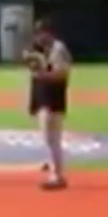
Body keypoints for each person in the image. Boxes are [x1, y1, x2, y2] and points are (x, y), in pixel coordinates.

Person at [25, 19, 73, 190]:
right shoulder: (39, 50)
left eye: (40, 33)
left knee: (51, 139)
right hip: (43, 97)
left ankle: (57, 176)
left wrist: (43, 75)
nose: (38, 37)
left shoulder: (58, 49)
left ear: (48, 32)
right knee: (49, 139)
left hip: (53, 97)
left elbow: (63, 73)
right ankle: (54, 170)